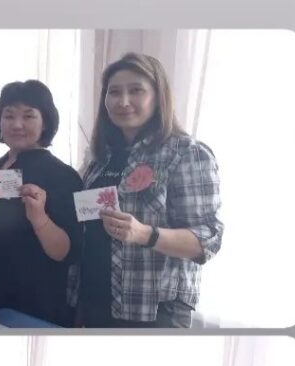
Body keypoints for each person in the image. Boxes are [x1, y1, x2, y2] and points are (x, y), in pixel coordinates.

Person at [75, 53, 223, 327]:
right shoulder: (100, 157)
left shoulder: (186, 153)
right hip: (95, 301)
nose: (123, 101)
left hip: (153, 310)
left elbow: (208, 239)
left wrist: (145, 233)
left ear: (158, 97)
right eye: (114, 92)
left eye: (136, 90)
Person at [0, 80, 83, 327]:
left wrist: (39, 218)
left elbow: (65, 252)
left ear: (45, 122)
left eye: (28, 116)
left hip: (32, 304)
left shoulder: (63, 175)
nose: (17, 124)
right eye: (9, 116)